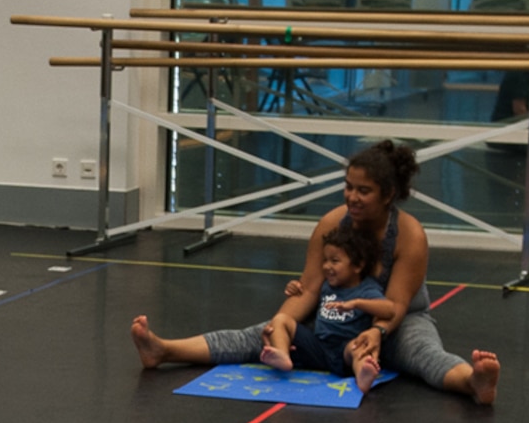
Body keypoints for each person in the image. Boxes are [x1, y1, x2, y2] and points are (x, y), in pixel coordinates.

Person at [131, 140, 500, 406]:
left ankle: (472, 382)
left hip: (394, 321)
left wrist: (376, 333)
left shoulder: (409, 234)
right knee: (258, 335)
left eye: (364, 191)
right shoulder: (331, 224)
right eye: (348, 187)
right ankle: (164, 350)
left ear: (388, 195)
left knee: (422, 353)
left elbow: (397, 305)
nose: (352, 197)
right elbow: (309, 290)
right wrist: (279, 323)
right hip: (337, 313)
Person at [258, 222, 391, 390]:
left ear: (357, 266)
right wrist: (294, 287)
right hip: (319, 345)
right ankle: (282, 355)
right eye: (325, 260)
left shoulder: (367, 289)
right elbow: (306, 291)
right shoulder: (327, 285)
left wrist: (356, 303)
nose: (327, 266)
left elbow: (389, 309)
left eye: (334, 261)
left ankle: (363, 373)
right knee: (281, 319)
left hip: (346, 349)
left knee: (361, 348)